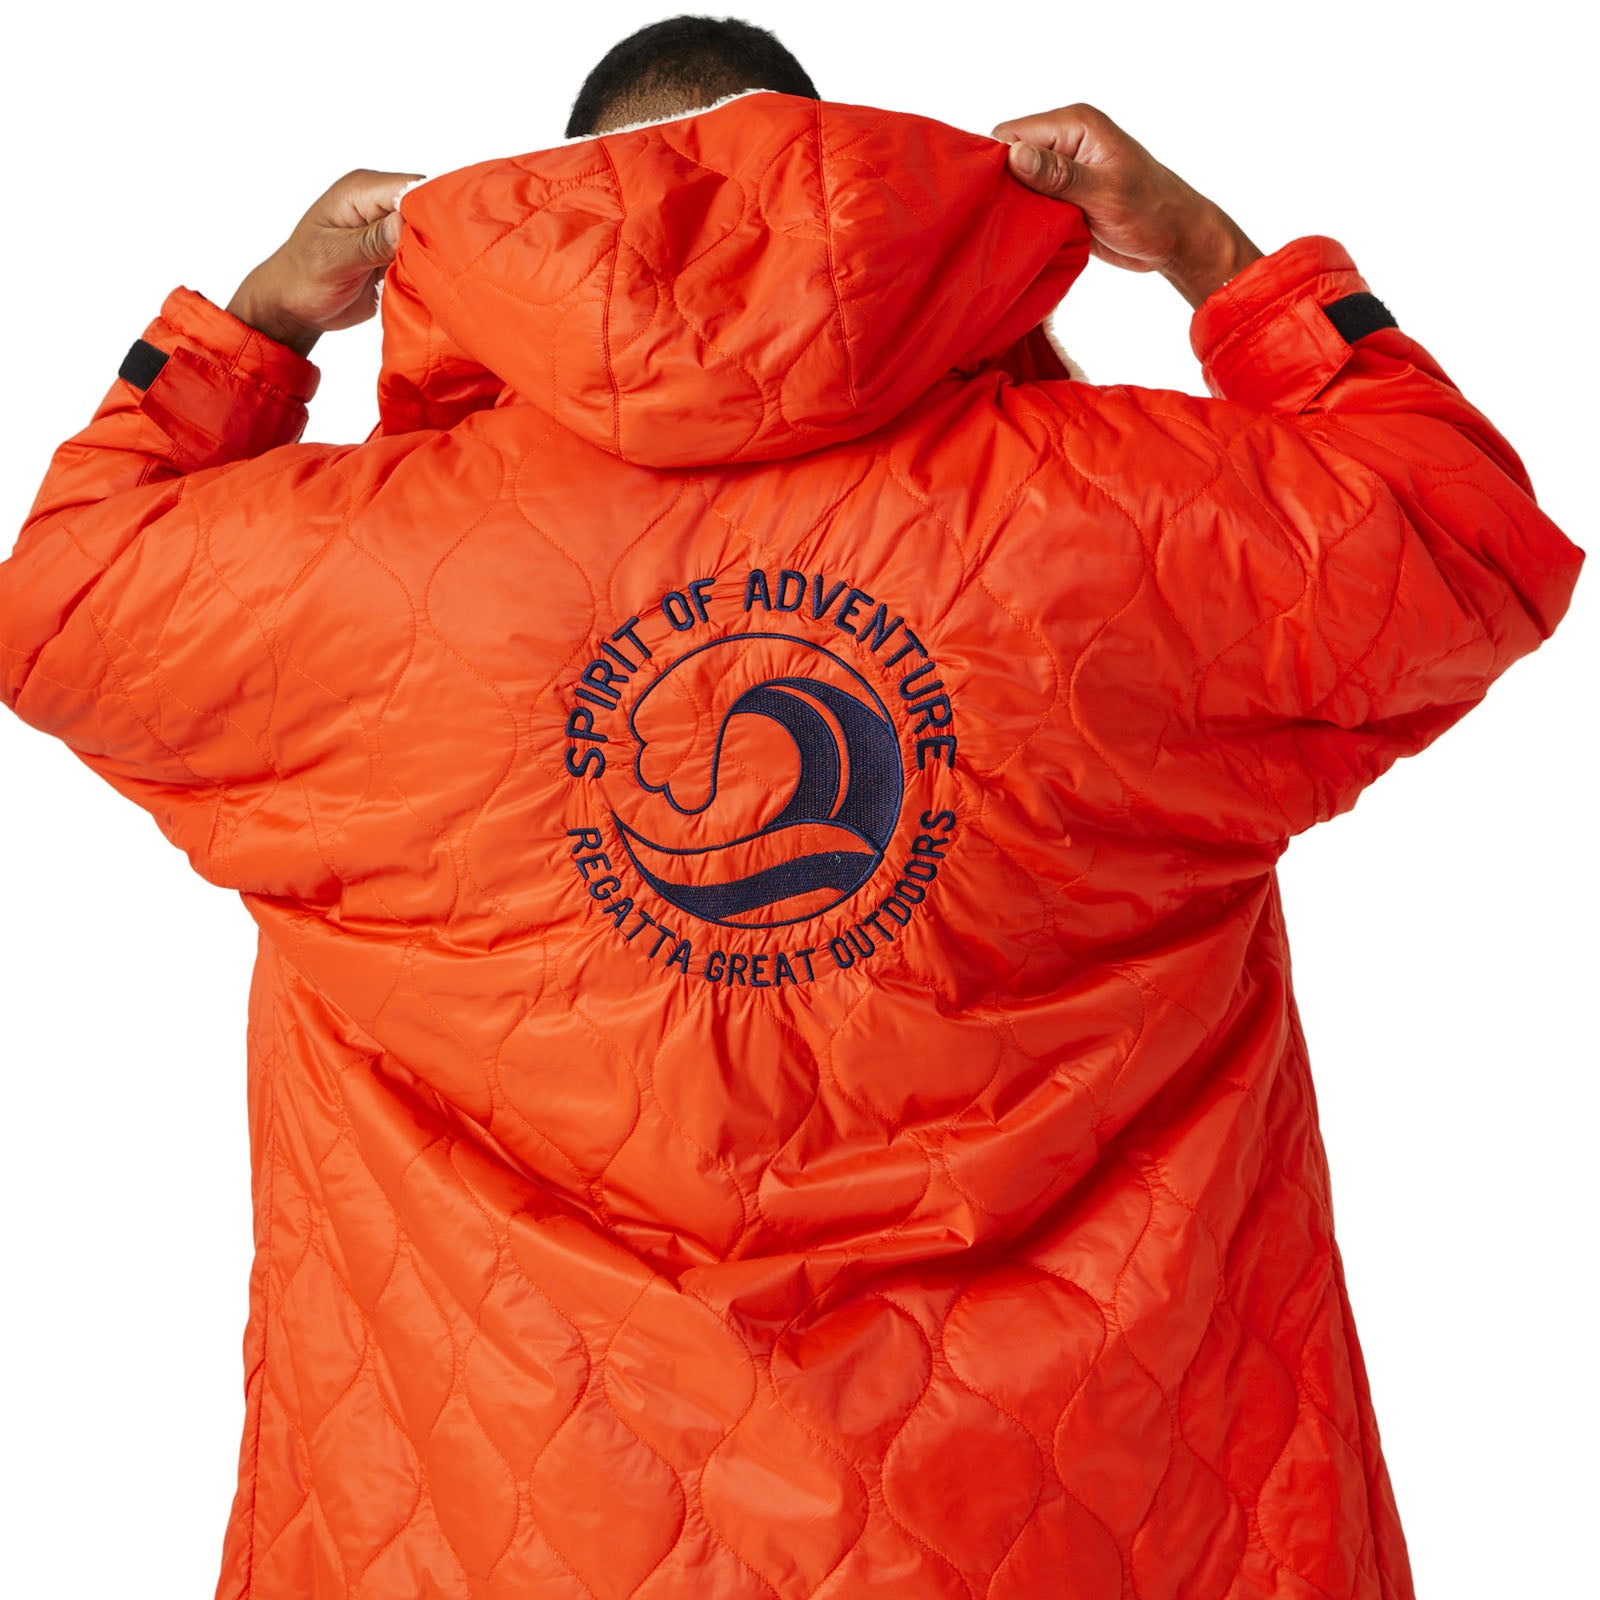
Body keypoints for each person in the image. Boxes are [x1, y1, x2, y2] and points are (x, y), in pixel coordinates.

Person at [0, 13, 1582, 1599]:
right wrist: (1209, 257)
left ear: (557, 214)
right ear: (843, 185)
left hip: (523, 1530)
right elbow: (1468, 540)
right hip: (1078, 1534)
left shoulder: (361, 575)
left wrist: (257, 327)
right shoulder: (1105, 519)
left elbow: (54, 603)